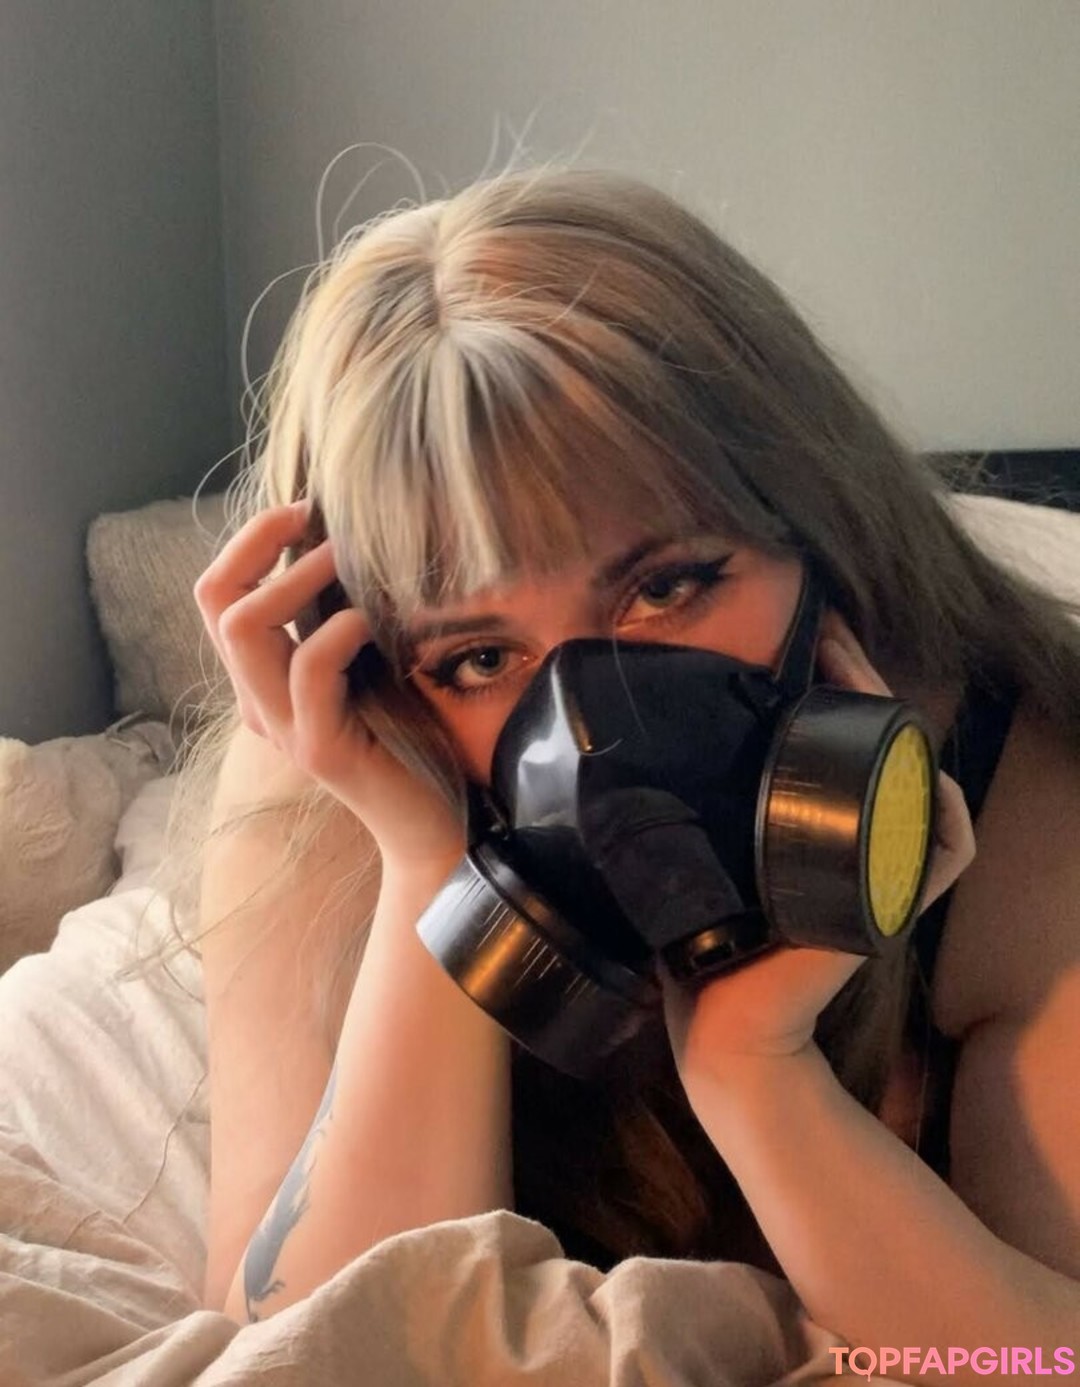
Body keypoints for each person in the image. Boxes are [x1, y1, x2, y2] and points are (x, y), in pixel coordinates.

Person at [180, 166, 1080, 1358]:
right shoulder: (337, 782)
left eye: (667, 586)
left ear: (822, 540)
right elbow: (308, 1356)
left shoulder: (1025, 788)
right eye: (479, 656)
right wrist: (429, 873)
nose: (592, 733)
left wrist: (757, 1073)